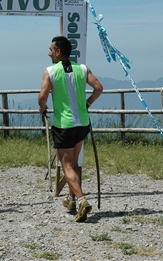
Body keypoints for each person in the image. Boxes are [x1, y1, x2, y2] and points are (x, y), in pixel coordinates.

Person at [38, 36, 103, 222]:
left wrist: (42, 109)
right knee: (73, 163)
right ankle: (71, 199)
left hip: (63, 125)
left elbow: (42, 97)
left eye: (51, 49)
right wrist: (87, 103)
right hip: (82, 123)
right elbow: (98, 88)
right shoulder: (83, 69)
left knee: (66, 165)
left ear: (58, 52)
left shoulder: (50, 71)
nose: (49, 53)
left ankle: (82, 200)